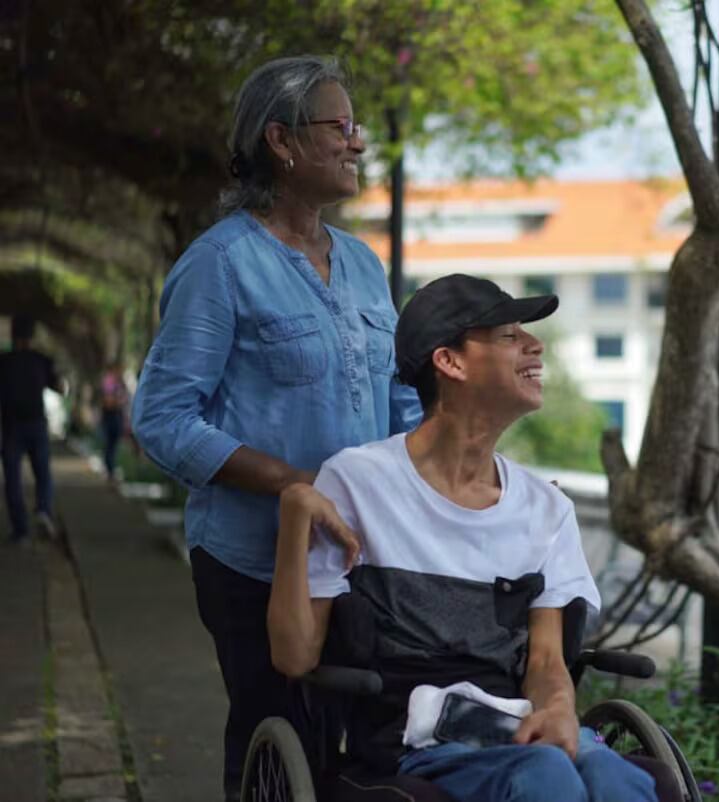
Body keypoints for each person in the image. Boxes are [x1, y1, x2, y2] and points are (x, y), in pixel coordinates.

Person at [130, 55, 422, 802]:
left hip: (359, 558)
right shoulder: (221, 264)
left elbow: (400, 402)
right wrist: (297, 482)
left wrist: (449, 482)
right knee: (279, 739)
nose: (358, 142)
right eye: (341, 126)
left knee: (369, 743)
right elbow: (162, 419)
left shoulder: (360, 264)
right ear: (282, 142)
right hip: (253, 562)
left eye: (357, 128)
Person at [268, 274, 657, 802]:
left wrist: (559, 710)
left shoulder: (546, 509)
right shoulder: (357, 483)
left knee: (618, 777)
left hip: (513, 725)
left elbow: (545, 662)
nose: (535, 345)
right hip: (412, 742)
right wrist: (294, 516)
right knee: (545, 777)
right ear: (450, 362)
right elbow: (294, 658)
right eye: (508, 336)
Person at [0, 315, 61, 544]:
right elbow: (58, 387)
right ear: (32, 336)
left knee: (13, 480)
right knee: (43, 474)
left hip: (11, 427)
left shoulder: (3, 362)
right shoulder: (41, 360)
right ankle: (43, 510)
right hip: (36, 424)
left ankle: (20, 530)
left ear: (13, 335)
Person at [98, 362, 129, 483]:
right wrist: (118, 402)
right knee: (110, 446)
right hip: (111, 416)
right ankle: (110, 472)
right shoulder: (109, 381)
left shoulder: (117, 382)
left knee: (112, 446)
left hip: (115, 416)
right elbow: (108, 402)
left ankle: (110, 471)